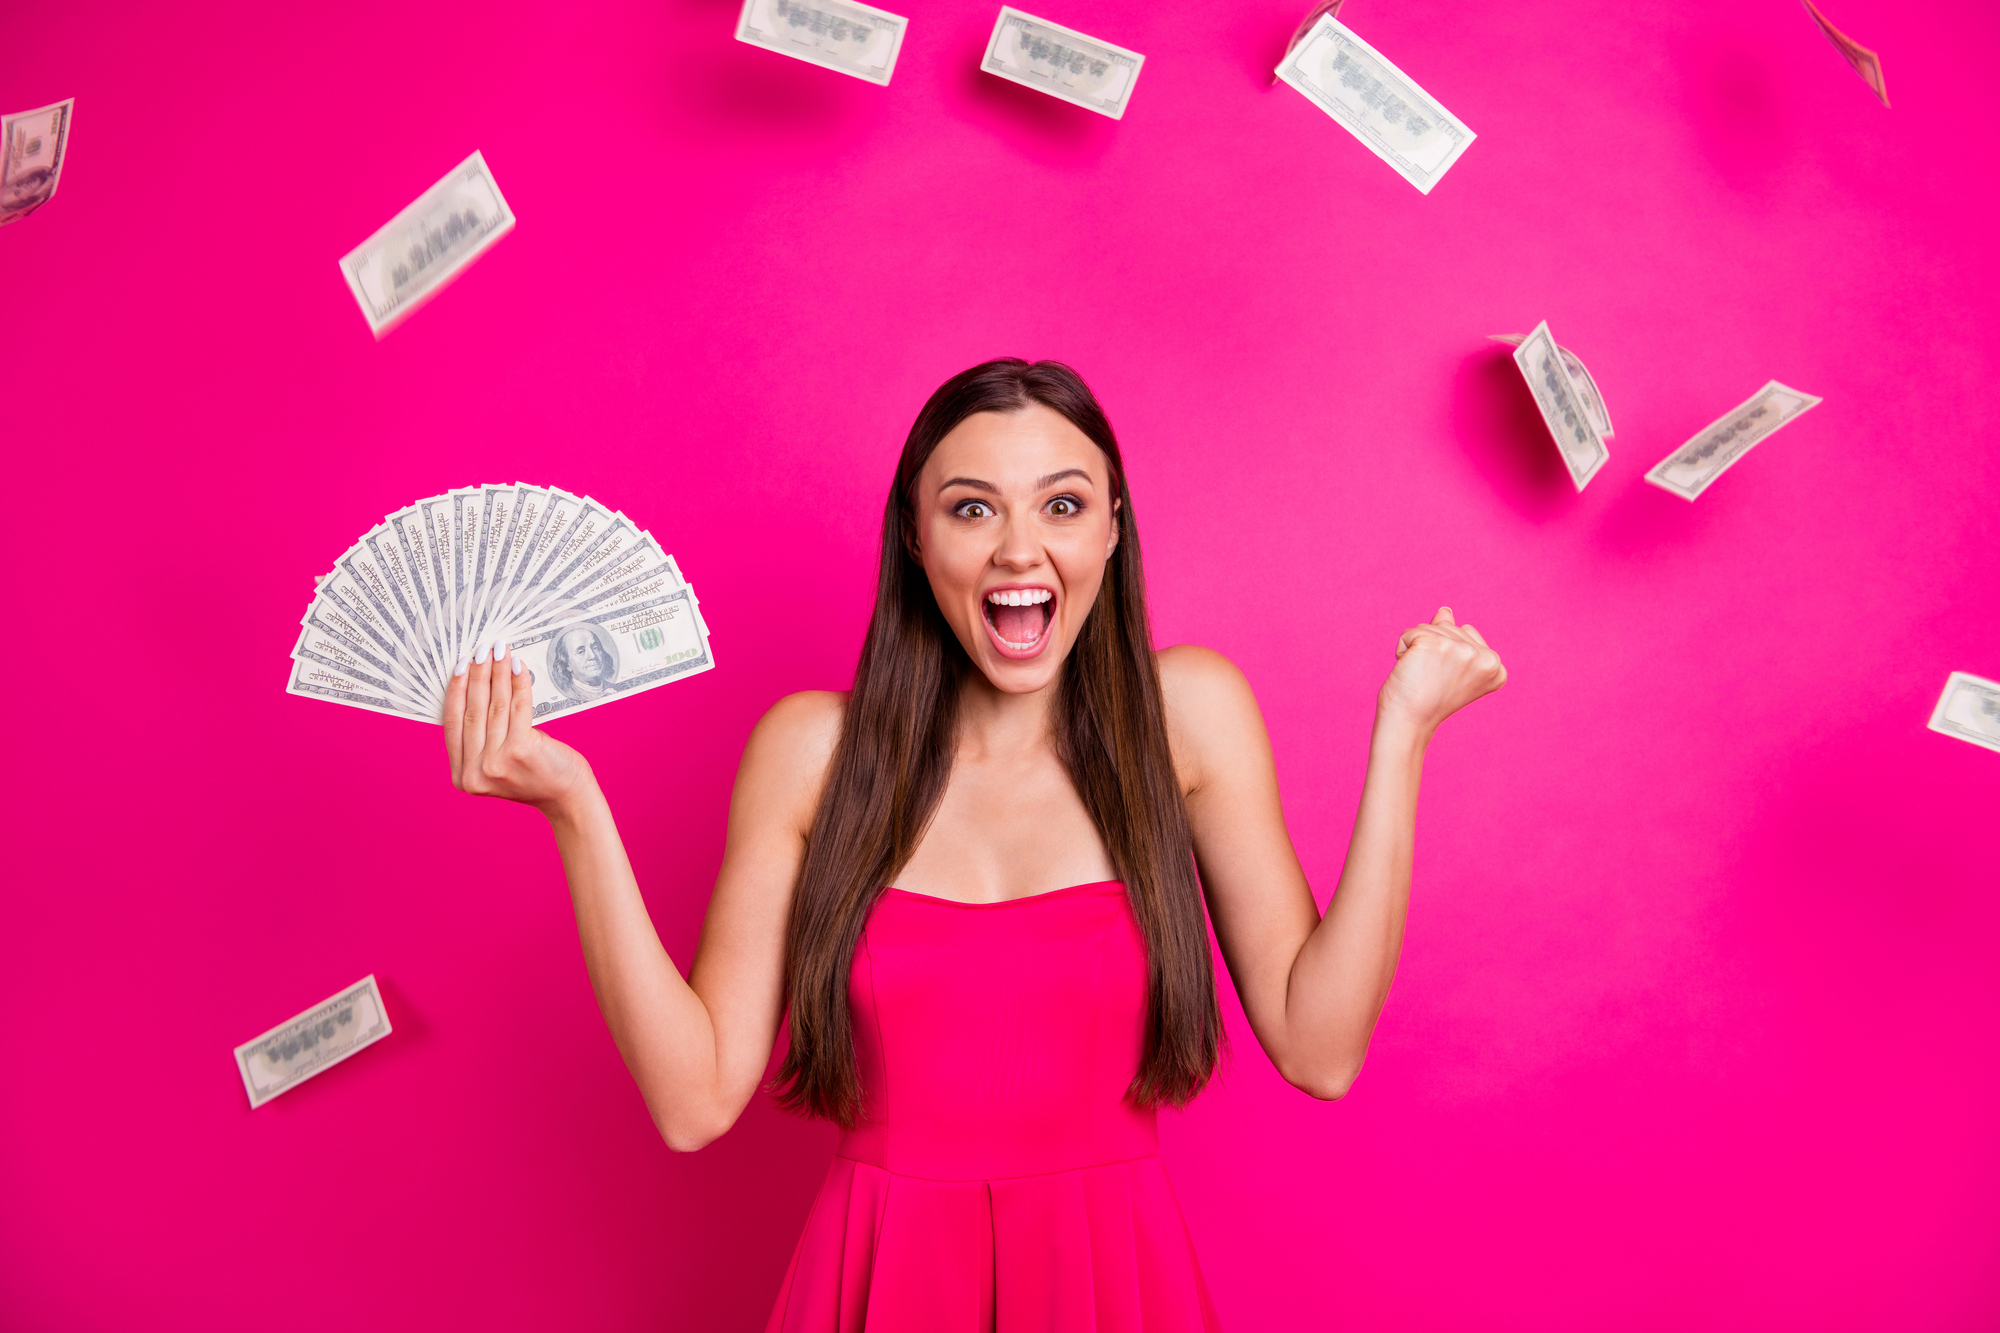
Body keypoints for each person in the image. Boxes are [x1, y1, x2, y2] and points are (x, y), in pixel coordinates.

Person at [441, 359, 1506, 1330]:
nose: (1017, 549)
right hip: (878, 1279)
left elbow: (1318, 1048)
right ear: (915, 536)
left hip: (1113, 1283)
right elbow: (692, 1099)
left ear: (1110, 531)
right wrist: (574, 808)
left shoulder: (1188, 715)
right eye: (969, 509)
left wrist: (1402, 733)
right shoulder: (812, 751)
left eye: (1061, 504)